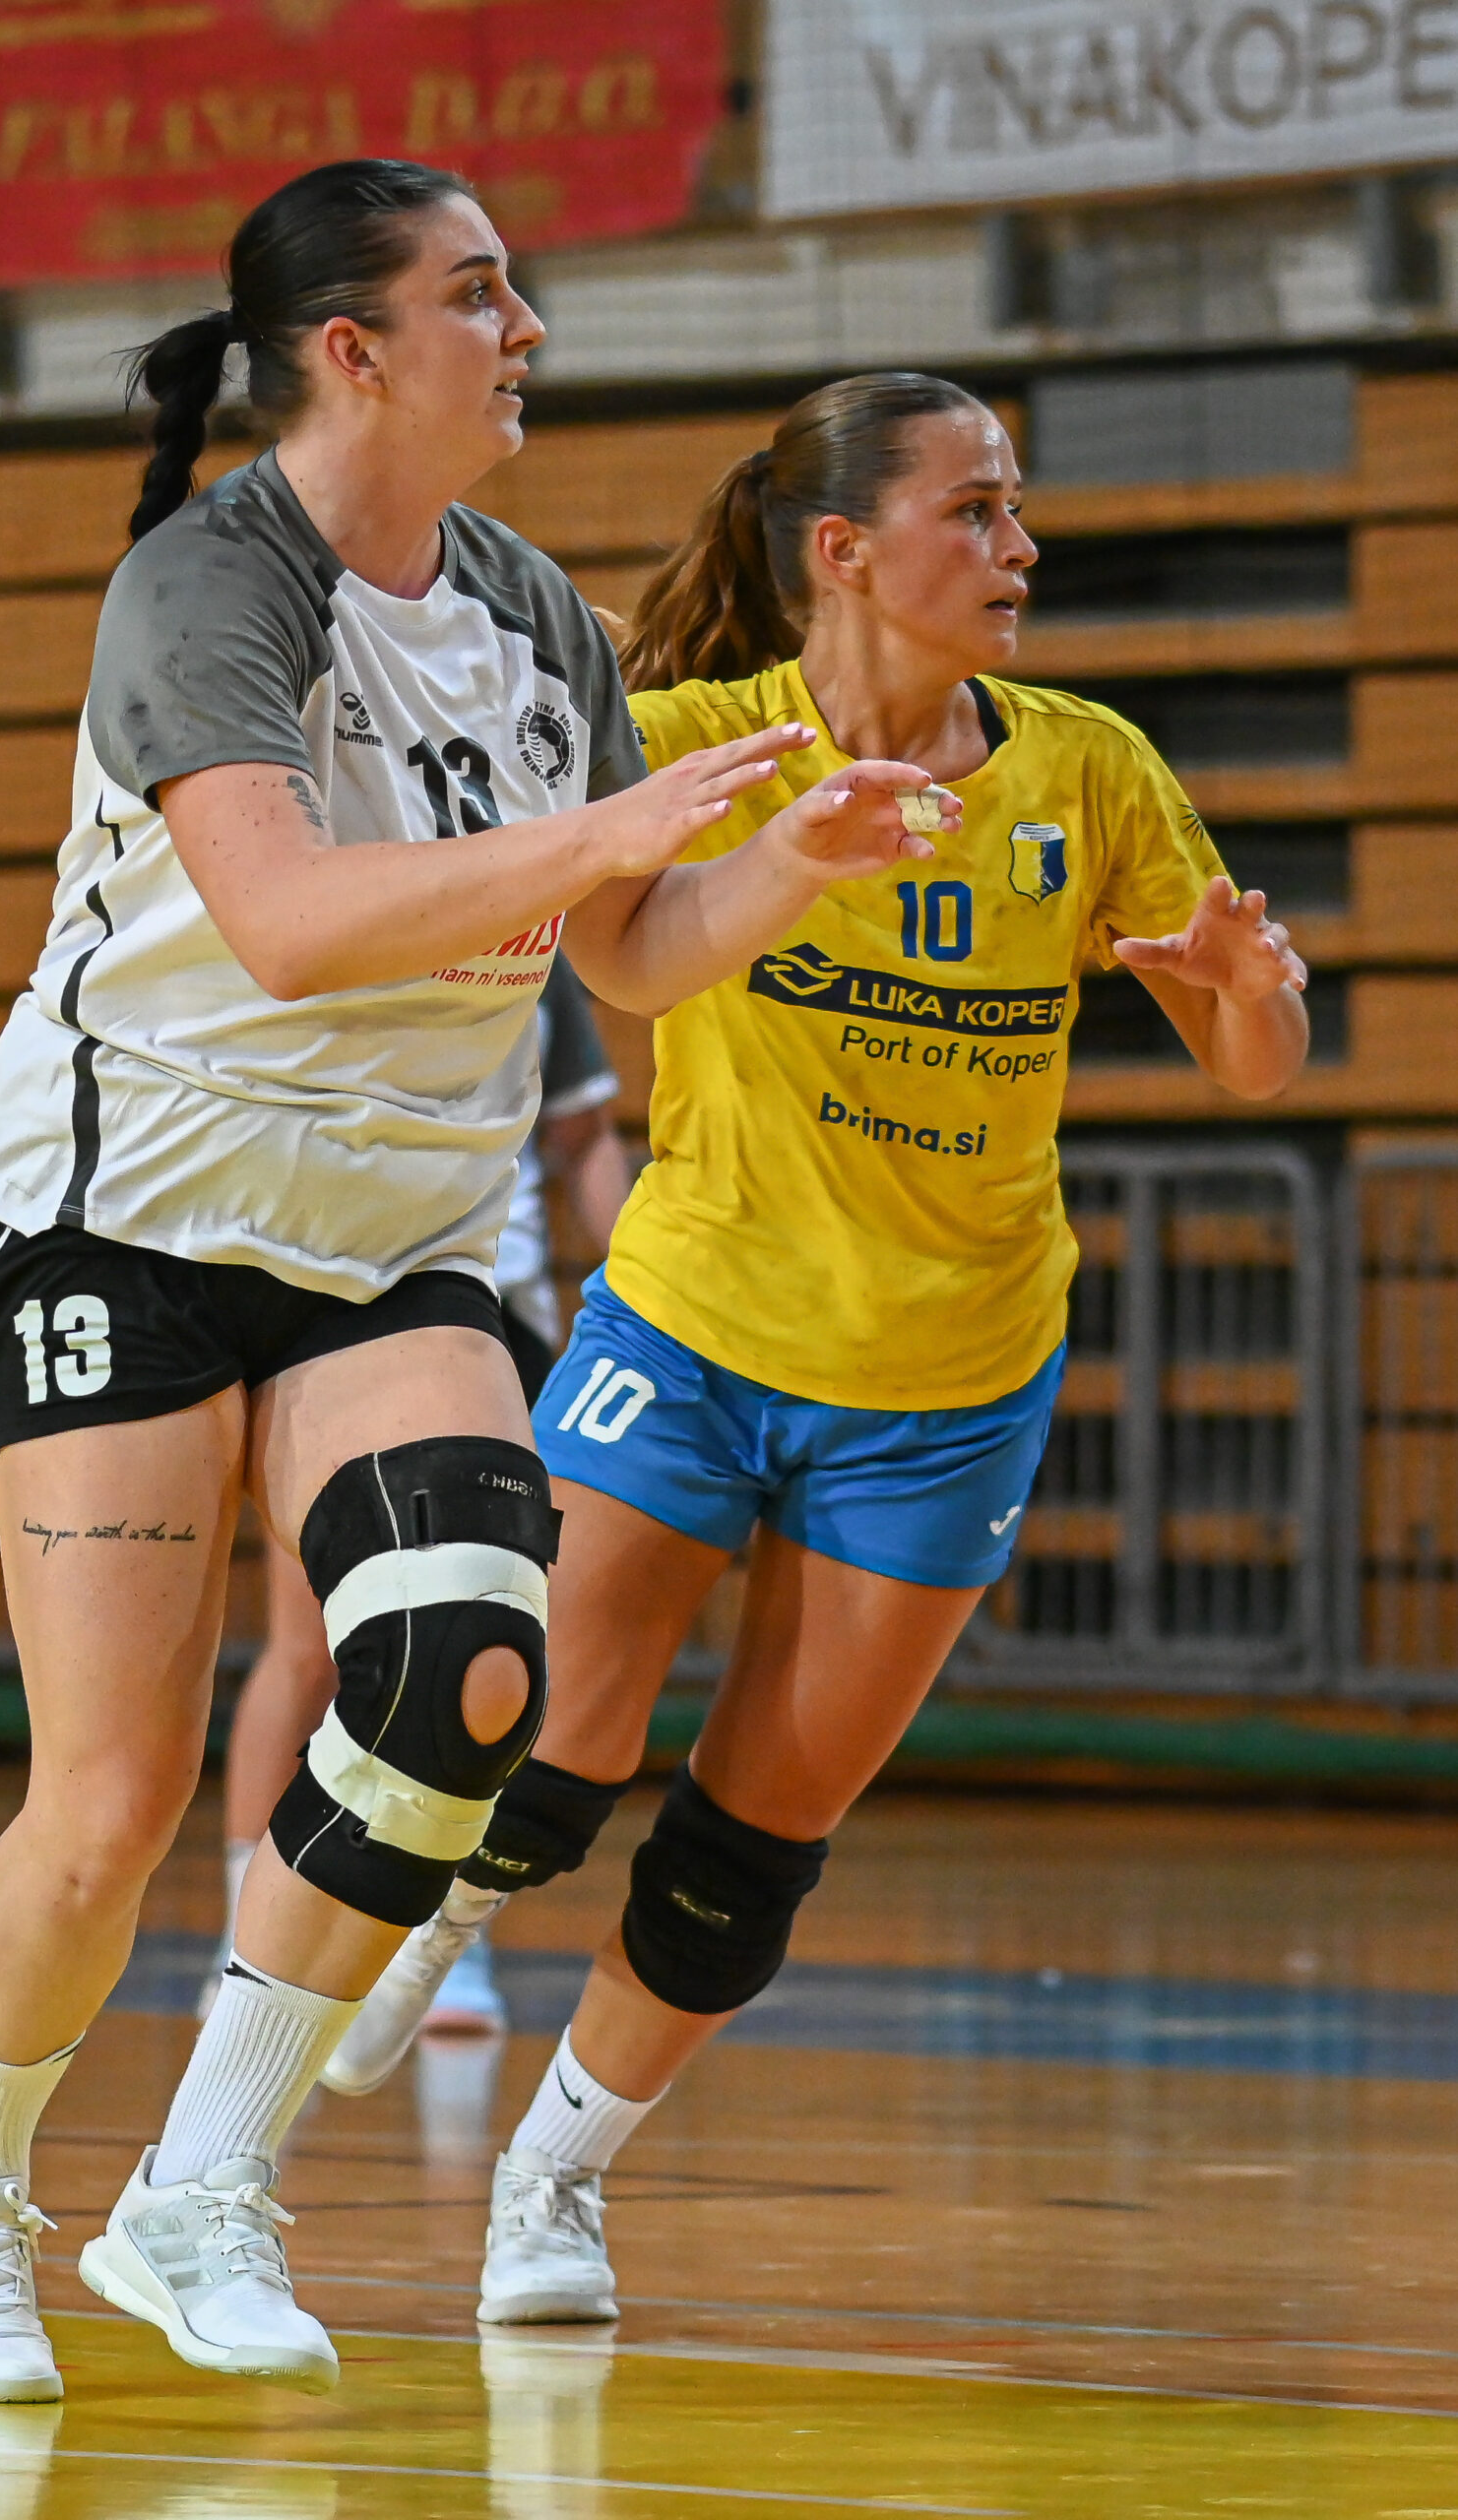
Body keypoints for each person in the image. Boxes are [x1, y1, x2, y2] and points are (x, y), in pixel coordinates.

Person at [0, 165, 950, 2406]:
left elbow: (624, 949)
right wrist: (608, 834)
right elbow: (284, 919)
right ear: (351, 351)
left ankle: (199, 2185)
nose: (526, 326)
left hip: (392, 1245)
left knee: (464, 1676)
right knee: (106, 1803)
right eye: (480, 294)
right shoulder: (210, 582)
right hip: (126, 1224)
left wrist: (777, 859)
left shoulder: (530, 608)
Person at [320, 370, 1311, 2323]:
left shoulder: (1087, 771)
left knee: (751, 1837)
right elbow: (593, 955)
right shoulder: (697, 742)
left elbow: (1251, 1060)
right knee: (544, 1706)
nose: (1022, 547)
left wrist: (1248, 993)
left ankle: (551, 2180)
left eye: (1016, 511)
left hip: (945, 1381)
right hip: (696, 1321)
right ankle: (457, 1905)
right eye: (979, 511)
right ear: (844, 551)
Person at [205, 955, 630, 2038]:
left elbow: (584, 1137)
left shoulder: (538, 943)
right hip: (330, 1304)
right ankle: (246, 1940)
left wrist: (640, 1282)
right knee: (310, 1647)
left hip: (490, 1320)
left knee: (486, 1653)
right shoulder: (326, 924)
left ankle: (431, 1948)